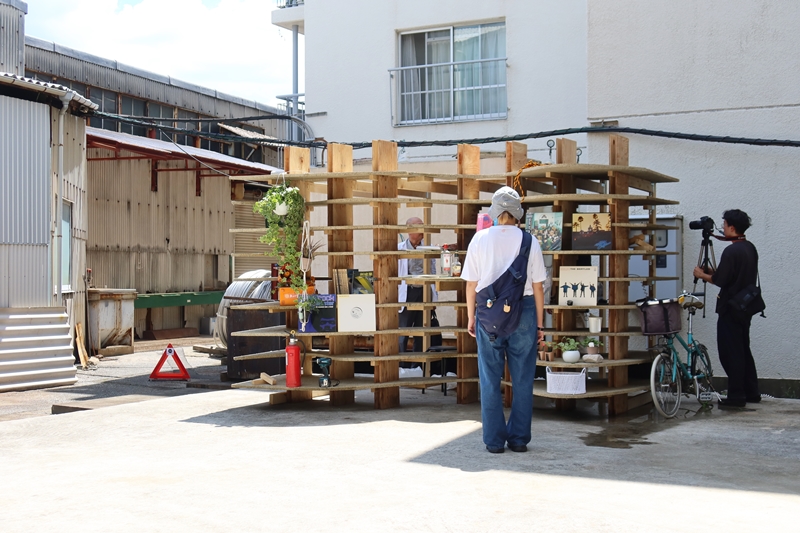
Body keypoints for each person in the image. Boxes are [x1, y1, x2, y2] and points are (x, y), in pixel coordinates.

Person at [461, 187, 546, 453]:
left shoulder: (480, 239)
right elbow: (539, 286)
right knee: (523, 379)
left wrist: (470, 316)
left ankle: (494, 441)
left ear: (495, 212)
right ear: (518, 213)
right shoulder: (530, 241)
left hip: (488, 312)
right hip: (524, 310)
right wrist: (540, 324)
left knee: (489, 379)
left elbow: (471, 284)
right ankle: (519, 440)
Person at [693, 209, 760, 408]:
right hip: (745, 306)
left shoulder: (731, 251)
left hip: (730, 308)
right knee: (743, 349)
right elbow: (731, 275)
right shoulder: (749, 247)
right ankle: (751, 392)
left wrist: (701, 274)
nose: (722, 228)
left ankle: (736, 395)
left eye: (724, 224)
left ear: (731, 227)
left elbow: (720, 280)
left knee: (731, 352)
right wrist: (712, 272)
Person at [398, 217, 437, 353]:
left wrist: (434, 296)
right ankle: (401, 363)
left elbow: (433, 271)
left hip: (424, 291)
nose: (422, 230)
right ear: (409, 230)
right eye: (419, 227)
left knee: (422, 331)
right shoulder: (399, 249)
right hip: (407, 292)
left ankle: (418, 363)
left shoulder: (428, 247)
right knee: (403, 331)